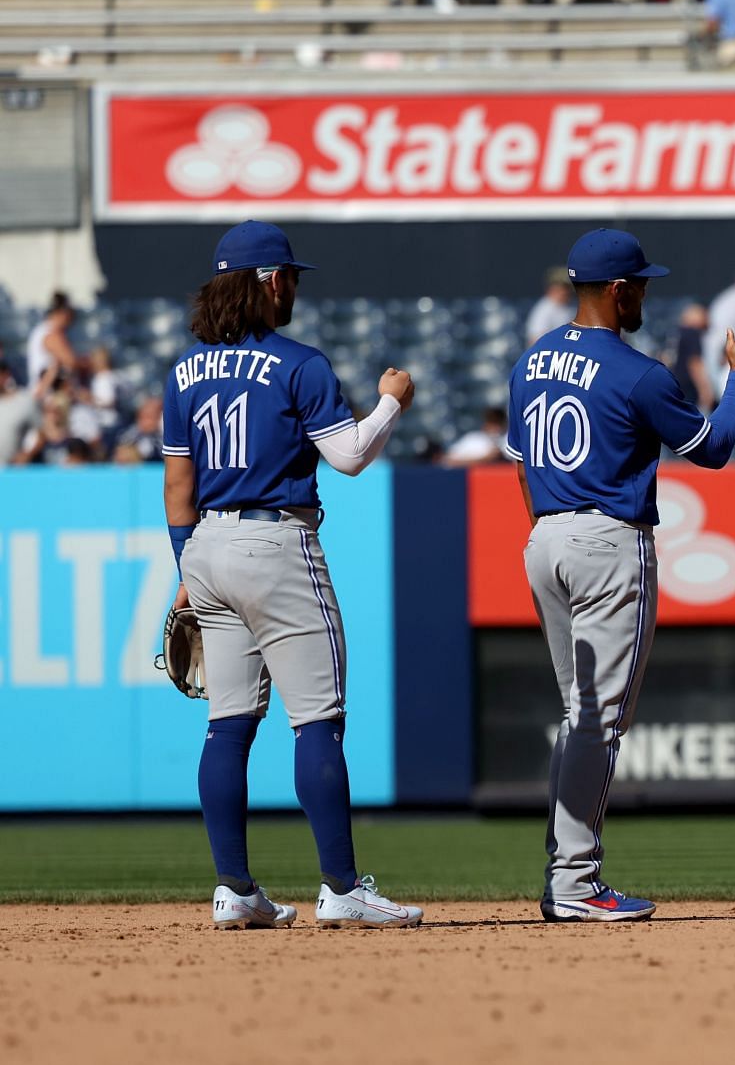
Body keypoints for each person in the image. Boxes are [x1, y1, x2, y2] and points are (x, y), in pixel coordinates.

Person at [161, 220, 424, 930]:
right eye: (292, 279)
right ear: (271, 281)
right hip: (276, 543)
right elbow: (349, 457)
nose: (296, 290)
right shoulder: (298, 363)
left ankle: (234, 889)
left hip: (207, 548)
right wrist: (393, 400)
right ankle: (341, 887)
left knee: (227, 726)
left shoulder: (185, 369)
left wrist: (186, 566)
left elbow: (178, 486)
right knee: (317, 721)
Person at [508, 229, 735, 922]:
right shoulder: (637, 371)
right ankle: (574, 881)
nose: (645, 297)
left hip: (544, 535)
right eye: (642, 286)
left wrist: (551, 526)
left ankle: (564, 871)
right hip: (606, 540)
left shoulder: (531, 362)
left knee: (579, 716)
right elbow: (713, 450)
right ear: (619, 290)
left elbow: (519, 463)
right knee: (598, 722)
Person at [26, 291, 79, 400]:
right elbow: (71, 361)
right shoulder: (50, 333)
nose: (71, 321)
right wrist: (90, 363)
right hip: (48, 398)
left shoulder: (41, 330)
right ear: (61, 313)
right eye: (69, 315)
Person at [0, 361, 39, 465]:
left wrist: (28, 454)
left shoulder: (24, 400)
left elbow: (42, 431)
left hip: (12, 473)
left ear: (6, 375)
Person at [442, 406, 508, 465]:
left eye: (497, 422)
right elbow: (448, 460)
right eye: (491, 422)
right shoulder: (473, 439)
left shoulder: (510, 440)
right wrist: (485, 459)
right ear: (485, 423)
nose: (495, 427)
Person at [113, 394, 166, 464]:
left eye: (150, 418)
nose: (146, 422)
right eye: (143, 417)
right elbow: (119, 453)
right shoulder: (130, 435)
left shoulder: (165, 436)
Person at [525, 270, 573, 345]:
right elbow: (535, 341)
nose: (564, 292)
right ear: (551, 289)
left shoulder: (572, 306)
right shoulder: (543, 309)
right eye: (561, 288)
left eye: (567, 288)